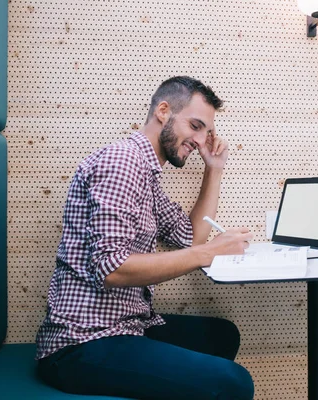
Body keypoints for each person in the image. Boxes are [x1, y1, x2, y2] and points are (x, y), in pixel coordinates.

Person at [35, 76, 255, 400]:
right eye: (195, 126)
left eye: (206, 132)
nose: (199, 140)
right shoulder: (122, 162)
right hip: (82, 343)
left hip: (129, 325)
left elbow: (189, 237)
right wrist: (210, 253)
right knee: (234, 383)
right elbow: (112, 269)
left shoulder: (148, 174)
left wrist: (214, 169)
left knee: (222, 335)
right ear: (163, 111)